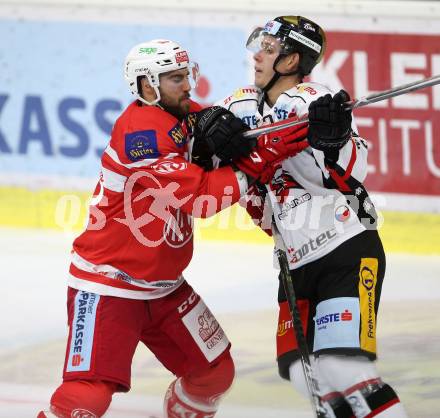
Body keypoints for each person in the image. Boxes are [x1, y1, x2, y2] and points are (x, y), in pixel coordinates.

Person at [37, 38, 309, 418]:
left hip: (163, 288)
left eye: (187, 75)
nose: (188, 85)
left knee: (214, 374)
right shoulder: (141, 137)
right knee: (88, 395)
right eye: (176, 78)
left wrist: (288, 122)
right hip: (109, 285)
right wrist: (261, 155)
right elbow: (202, 198)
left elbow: (222, 129)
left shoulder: (179, 114)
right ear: (148, 86)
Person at [191, 16, 408, 418]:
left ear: (291, 61)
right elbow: (197, 148)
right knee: (300, 371)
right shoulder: (239, 103)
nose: (257, 55)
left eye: (269, 50)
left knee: (342, 366)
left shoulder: (314, 102)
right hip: (293, 260)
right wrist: (204, 127)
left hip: (344, 246)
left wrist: (332, 140)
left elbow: (349, 173)